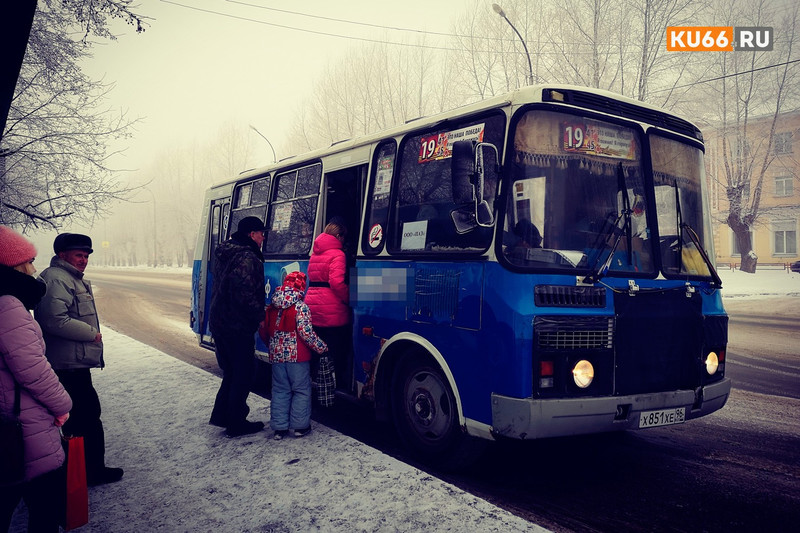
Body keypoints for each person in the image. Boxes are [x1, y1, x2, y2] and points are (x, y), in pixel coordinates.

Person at [34, 232, 123, 487]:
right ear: (63, 255)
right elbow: (53, 319)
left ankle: (87, 471)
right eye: (78, 255)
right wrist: (91, 334)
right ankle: (89, 473)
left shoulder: (68, 277)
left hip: (74, 363)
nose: (84, 260)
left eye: (86, 255)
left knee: (85, 418)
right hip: (67, 365)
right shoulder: (57, 279)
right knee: (85, 418)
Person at [0, 226, 72, 532]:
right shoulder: (8, 306)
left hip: (9, 416)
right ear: (11, 268)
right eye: (27, 263)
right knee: (44, 508)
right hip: (24, 425)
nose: (32, 269)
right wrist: (63, 404)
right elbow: (33, 370)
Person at [208, 216, 267, 437]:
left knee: (231, 371)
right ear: (252, 234)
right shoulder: (246, 257)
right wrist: (259, 316)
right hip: (237, 325)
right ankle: (236, 422)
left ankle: (222, 415)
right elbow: (244, 293)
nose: (263, 238)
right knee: (243, 373)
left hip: (221, 322)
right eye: (261, 233)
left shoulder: (227, 252)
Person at [261, 271, 327, 440]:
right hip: (297, 358)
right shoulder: (300, 307)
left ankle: (279, 429)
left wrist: (272, 347)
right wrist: (322, 348)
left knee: (280, 390)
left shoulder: (272, 305)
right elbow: (306, 334)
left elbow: (264, 330)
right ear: (301, 287)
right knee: (301, 391)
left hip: (277, 358)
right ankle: (300, 427)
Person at [305, 216, 351, 395]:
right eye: (344, 237)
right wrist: (349, 298)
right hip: (332, 309)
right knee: (336, 351)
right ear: (339, 236)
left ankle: (317, 385)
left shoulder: (315, 253)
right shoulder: (338, 254)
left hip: (313, 306)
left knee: (317, 349)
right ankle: (333, 388)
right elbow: (337, 283)